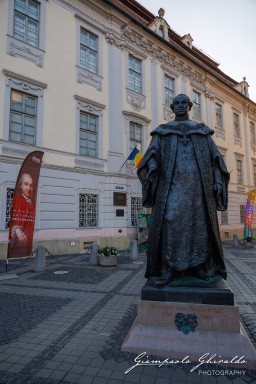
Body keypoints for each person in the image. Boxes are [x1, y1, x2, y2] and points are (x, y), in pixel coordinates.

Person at [137, 94, 230, 286]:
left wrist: (218, 181)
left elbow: (216, 160)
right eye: (176, 103)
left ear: (189, 106)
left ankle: (201, 268)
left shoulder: (201, 132)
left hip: (198, 191)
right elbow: (150, 156)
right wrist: (153, 167)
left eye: (183, 103)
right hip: (171, 189)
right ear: (172, 107)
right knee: (170, 225)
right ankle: (169, 269)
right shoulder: (163, 132)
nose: (180, 106)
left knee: (200, 227)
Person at [9, 173, 36, 257]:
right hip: (19, 242)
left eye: (30, 185)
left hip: (29, 239)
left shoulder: (32, 202)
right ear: (20, 185)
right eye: (26, 184)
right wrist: (16, 229)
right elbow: (13, 219)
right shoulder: (17, 199)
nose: (28, 188)